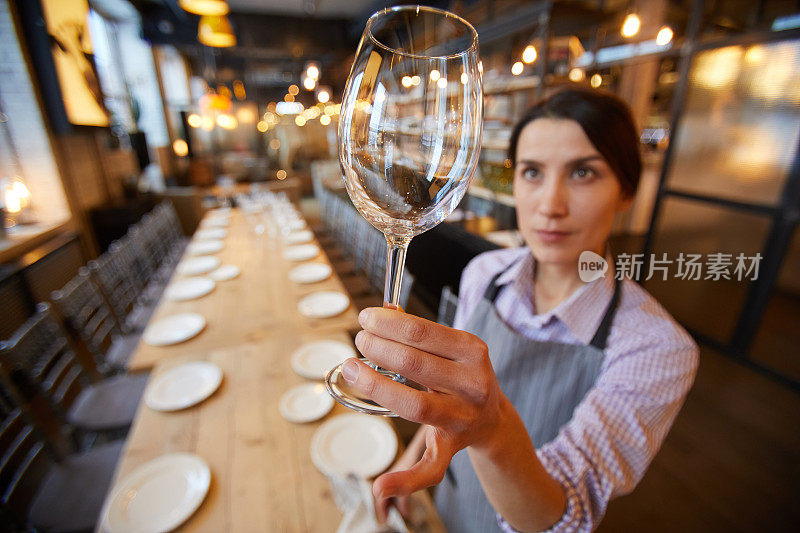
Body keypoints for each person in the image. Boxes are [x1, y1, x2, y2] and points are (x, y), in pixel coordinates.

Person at [339, 88, 699, 532]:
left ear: (626, 190)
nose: (550, 205)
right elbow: (447, 402)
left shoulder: (656, 348)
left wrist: (492, 430)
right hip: (446, 511)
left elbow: (566, 512)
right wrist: (407, 468)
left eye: (583, 172)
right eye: (532, 172)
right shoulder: (484, 273)